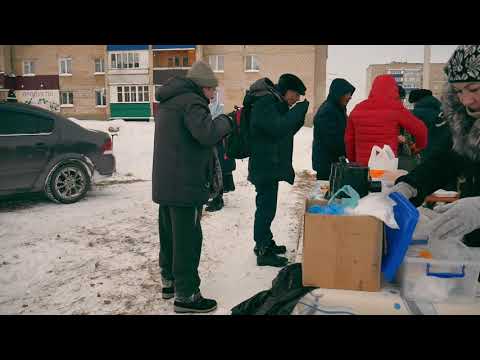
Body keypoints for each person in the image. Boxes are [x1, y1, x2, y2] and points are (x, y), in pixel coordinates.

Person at [152, 60, 233, 313]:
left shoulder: (170, 101)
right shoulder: (192, 102)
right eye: (211, 90)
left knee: (169, 235)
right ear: (202, 87)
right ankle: (186, 296)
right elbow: (207, 134)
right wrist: (227, 121)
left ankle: (170, 282)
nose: (212, 96)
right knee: (187, 239)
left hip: (167, 182)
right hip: (185, 183)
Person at [393, 45, 480, 248]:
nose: (466, 99)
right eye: (459, 91)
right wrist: (412, 184)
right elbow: (446, 160)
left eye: (474, 89)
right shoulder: (467, 122)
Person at [248, 74, 309, 267]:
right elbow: (278, 127)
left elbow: (286, 130)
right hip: (264, 164)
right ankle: (263, 249)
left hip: (268, 164)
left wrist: (296, 114)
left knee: (267, 207)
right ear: (286, 90)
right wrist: (298, 111)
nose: (297, 99)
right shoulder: (265, 102)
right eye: (296, 94)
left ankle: (265, 242)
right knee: (265, 208)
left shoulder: (273, 102)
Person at [344, 74, 428, 166]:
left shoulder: (358, 109)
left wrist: (353, 161)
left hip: (362, 167)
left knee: (366, 180)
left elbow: (349, 140)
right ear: (394, 89)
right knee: (383, 180)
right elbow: (421, 130)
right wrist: (418, 147)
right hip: (385, 166)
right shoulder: (396, 108)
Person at [312, 78, 355, 180]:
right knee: (326, 192)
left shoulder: (338, 109)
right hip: (326, 164)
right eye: (347, 94)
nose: (350, 97)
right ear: (338, 93)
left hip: (333, 162)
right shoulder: (328, 111)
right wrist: (349, 151)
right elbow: (332, 140)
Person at [205, 100, 236, 212]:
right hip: (214, 144)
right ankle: (215, 197)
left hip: (220, 145)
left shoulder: (219, 107)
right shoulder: (206, 106)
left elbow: (216, 125)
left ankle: (218, 200)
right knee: (215, 172)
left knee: (220, 172)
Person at [408, 88, 449, 162]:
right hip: (445, 149)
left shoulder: (417, 113)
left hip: (427, 151)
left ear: (416, 101)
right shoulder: (442, 110)